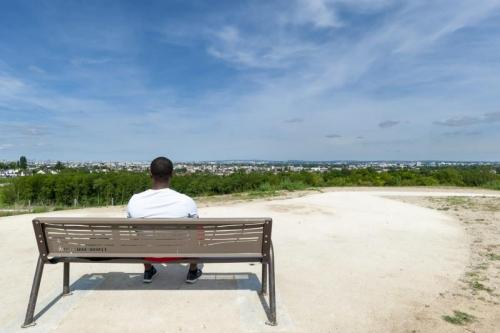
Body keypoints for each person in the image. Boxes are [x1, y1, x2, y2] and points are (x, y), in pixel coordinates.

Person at [126, 156, 202, 284]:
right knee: (198, 231)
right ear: (172, 174)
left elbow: (135, 230)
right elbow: (198, 233)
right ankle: (192, 271)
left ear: (150, 173)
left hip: (148, 252)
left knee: (139, 235)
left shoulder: (134, 200)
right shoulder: (186, 201)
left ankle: (148, 270)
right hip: (180, 252)